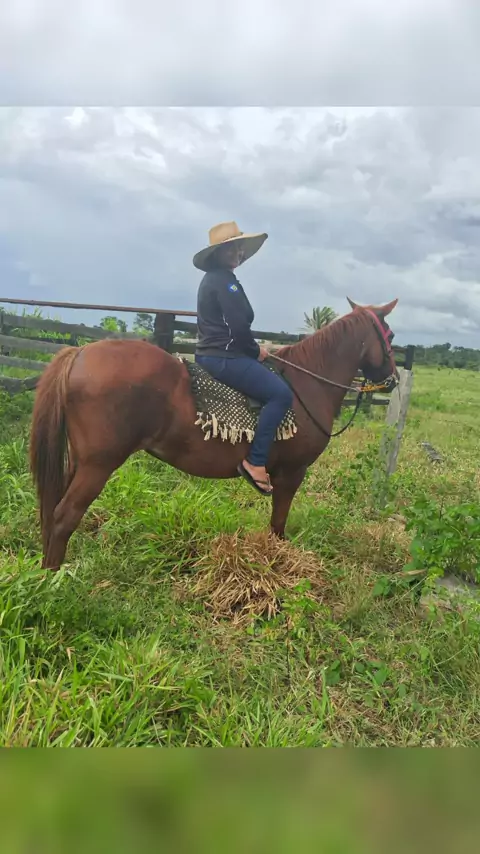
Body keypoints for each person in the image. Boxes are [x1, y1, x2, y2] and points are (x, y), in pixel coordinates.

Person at [193, 221, 294, 496]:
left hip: (212, 353)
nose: (237, 252)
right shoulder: (225, 282)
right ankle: (256, 461)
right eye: (231, 248)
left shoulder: (217, 279)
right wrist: (255, 350)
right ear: (217, 253)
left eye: (239, 247)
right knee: (280, 395)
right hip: (224, 357)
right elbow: (237, 328)